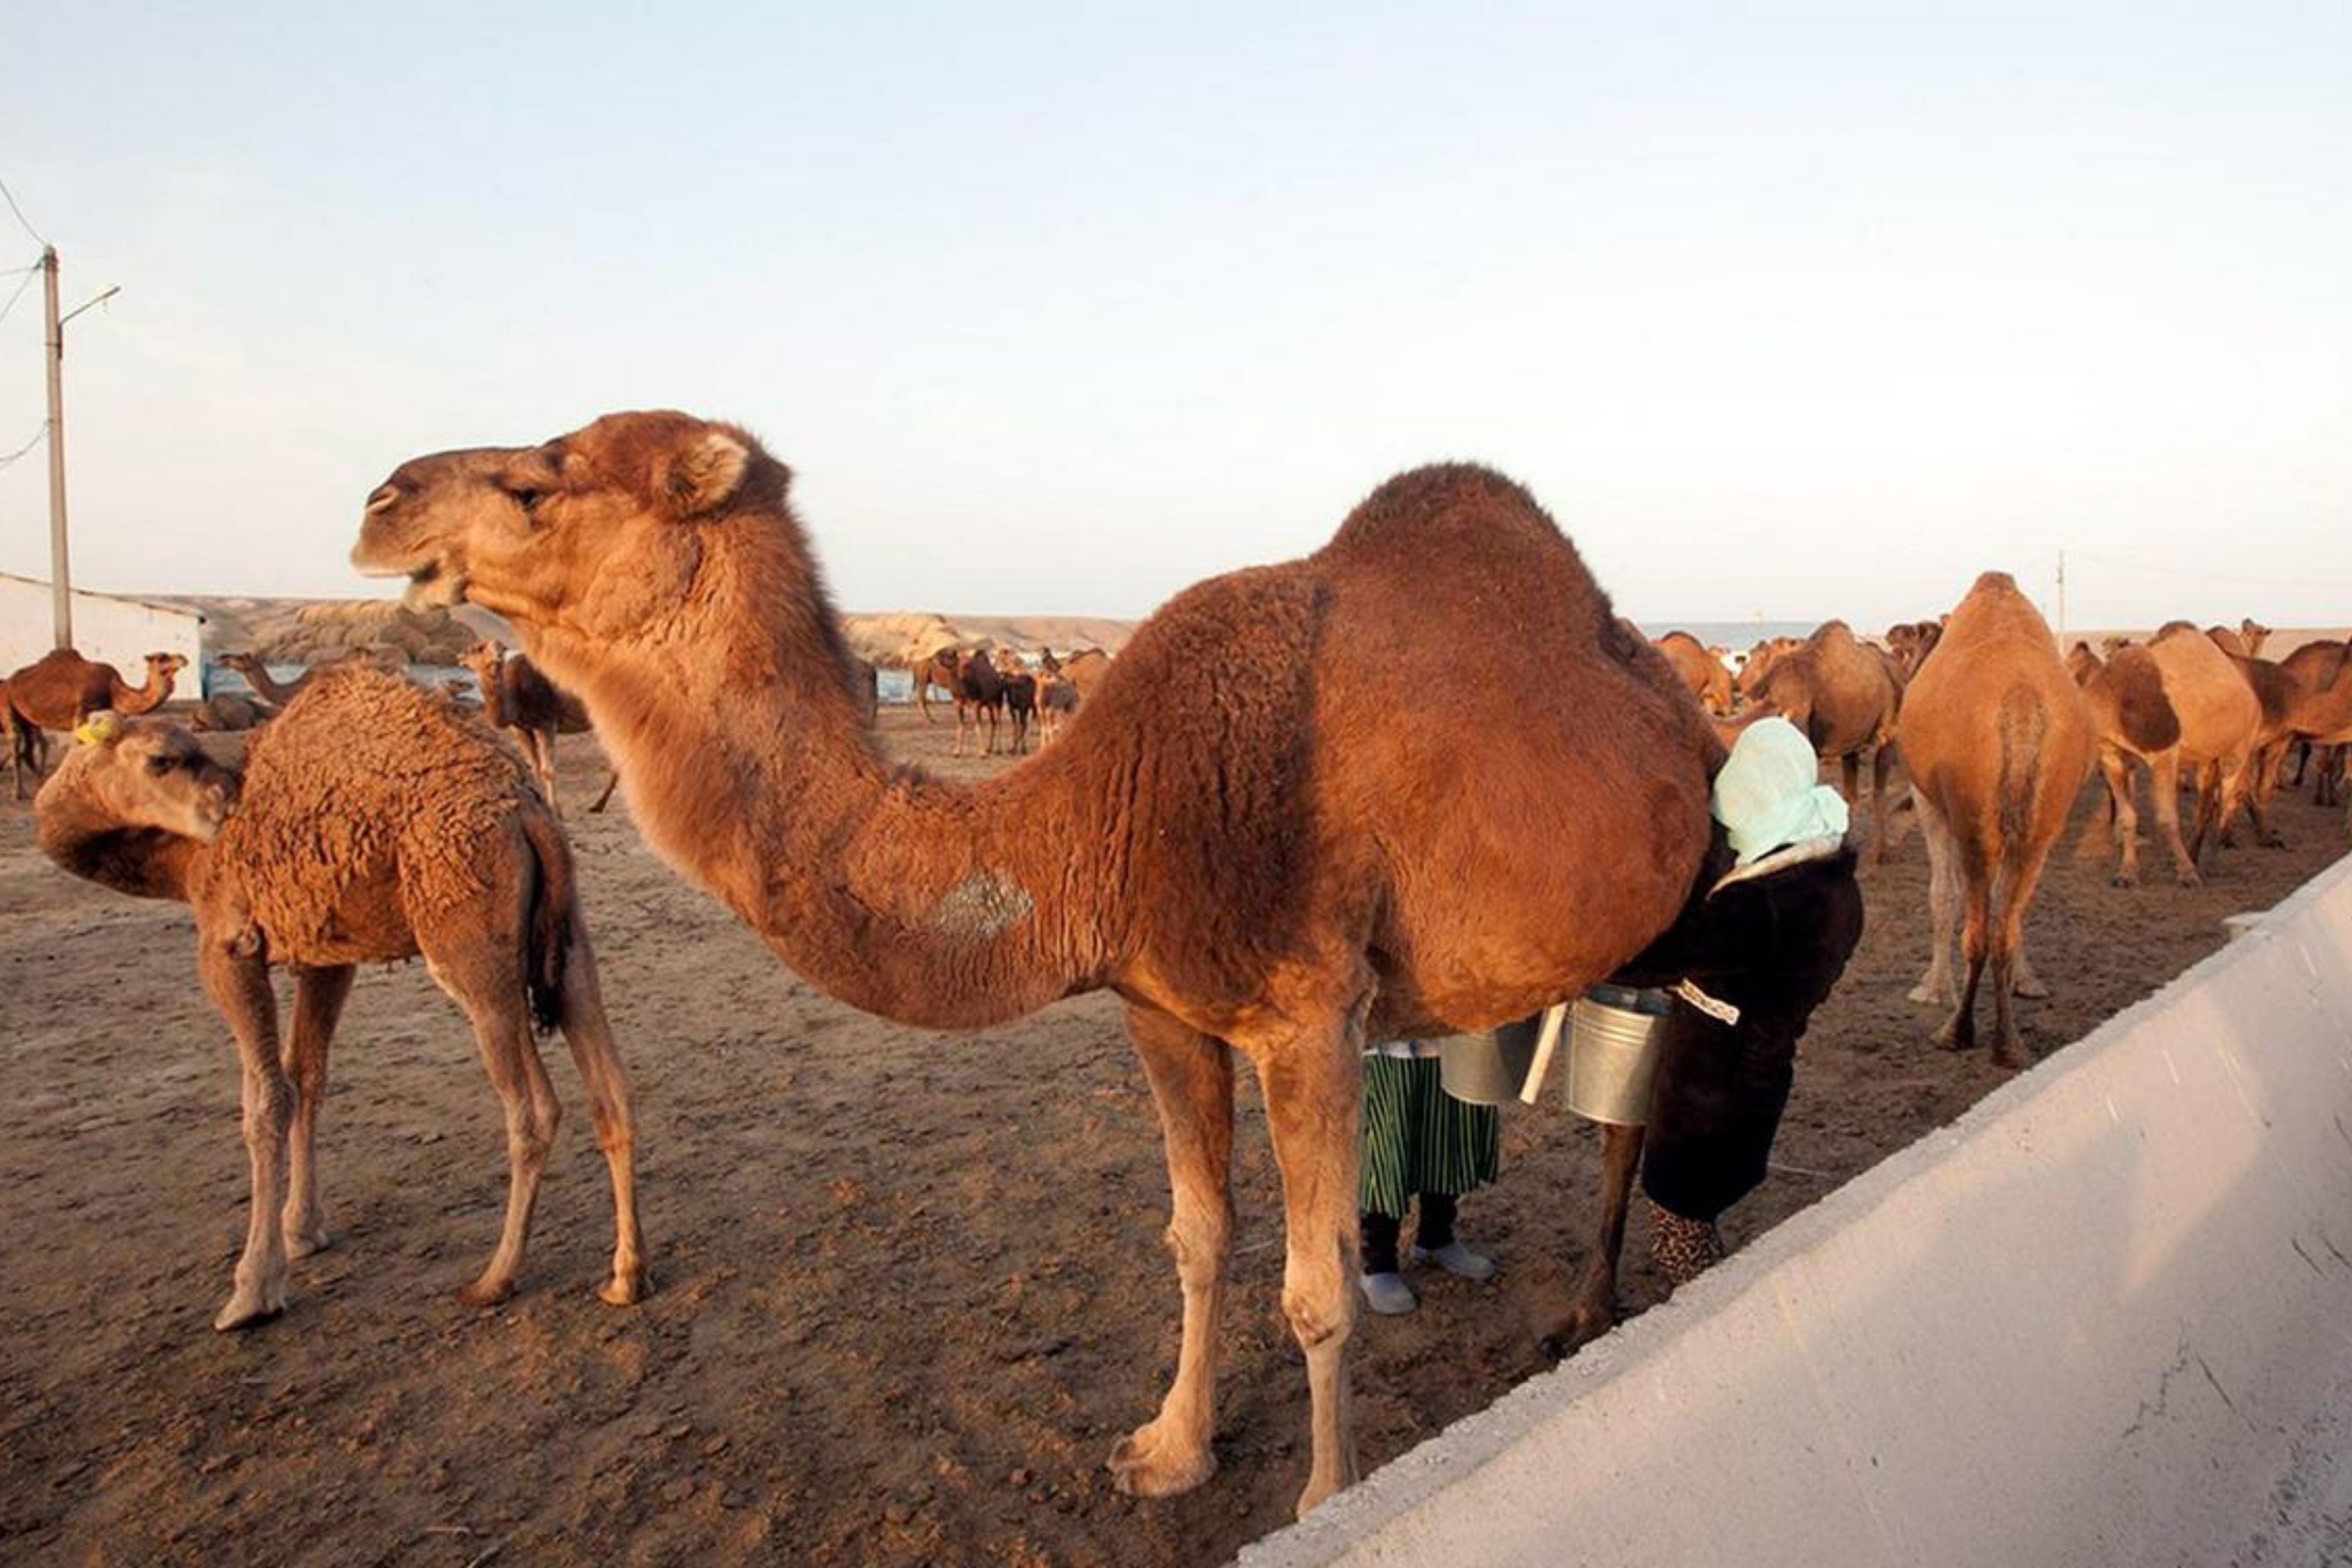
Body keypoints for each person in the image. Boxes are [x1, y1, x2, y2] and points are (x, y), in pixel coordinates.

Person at [1613, 715, 1866, 1285]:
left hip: (1709, 1095)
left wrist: (1587, 948)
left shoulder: (1763, 906)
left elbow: (1654, 961)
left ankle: (1713, 1318)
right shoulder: (1833, 884)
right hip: (1760, 1079)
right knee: (1699, 1214)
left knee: (1681, 1229)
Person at [1357, 1038, 1499, 1315]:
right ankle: (1377, 1262)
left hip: (1450, 1026)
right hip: (1393, 1036)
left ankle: (1437, 1236)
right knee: (1388, 1143)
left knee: (1450, 1129)